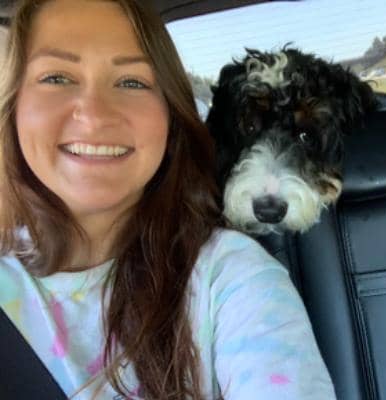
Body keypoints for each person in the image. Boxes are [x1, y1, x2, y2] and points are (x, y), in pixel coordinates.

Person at [0, 0, 337, 399]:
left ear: (172, 114)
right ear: (13, 104)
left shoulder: (234, 279)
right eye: (56, 77)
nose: (94, 115)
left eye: (132, 82)